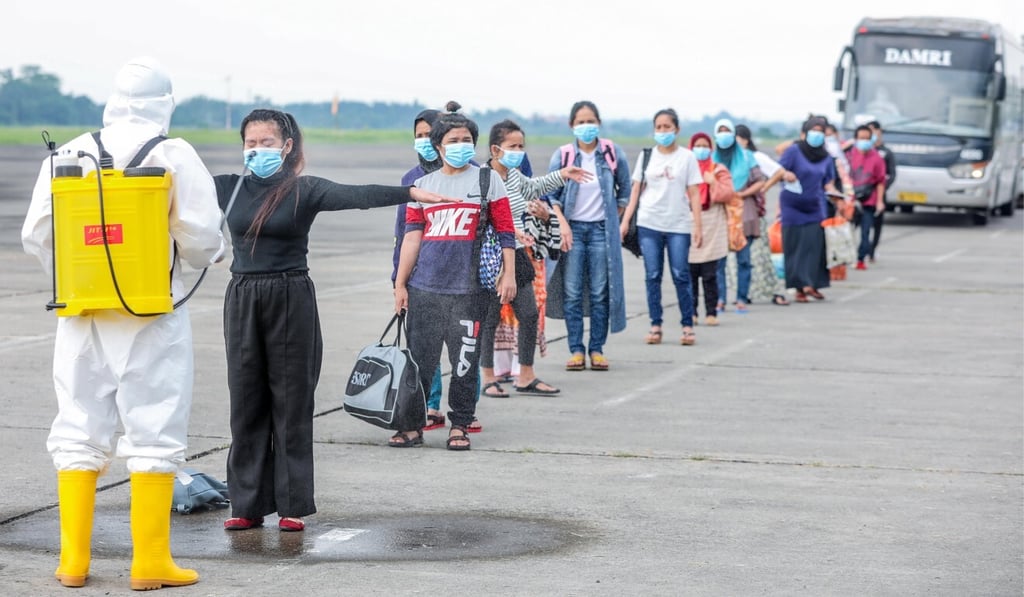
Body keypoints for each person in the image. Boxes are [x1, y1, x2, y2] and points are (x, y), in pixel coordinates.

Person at [22, 56, 226, 590]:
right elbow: (204, 242)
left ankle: (73, 563)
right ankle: (150, 563)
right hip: (150, 314)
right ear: (166, 102)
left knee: (77, 427)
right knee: (153, 429)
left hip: (80, 313)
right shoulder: (172, 153)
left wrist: (80, 280)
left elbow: (37, 235)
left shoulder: (66, 152)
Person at [216, 108, 453, 532]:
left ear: (286, 147)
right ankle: (246, 503)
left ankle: (291, 504)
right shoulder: (229, 189)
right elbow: (169, 185)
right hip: (243, 297)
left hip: (291, 295)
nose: (257, 151)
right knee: (246, 401)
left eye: (266, 143)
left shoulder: (303, 190)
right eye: (250, 143)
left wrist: (412, 194)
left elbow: (356, 194)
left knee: (291, 401)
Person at [394, 101, 517, 451]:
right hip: (425, 287)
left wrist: (508, 274)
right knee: (421, 362)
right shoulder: (423, 184)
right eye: (453, 140)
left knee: (464, 360)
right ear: (438, 147)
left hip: (470, 289)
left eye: (466, 139)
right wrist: (400, 284)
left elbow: (506, 231)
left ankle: (460, 424)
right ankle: (413, 425)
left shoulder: (487, 179)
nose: (460, 145)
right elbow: (412, 236)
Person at [477, 119, 590, 397]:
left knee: (528, 313)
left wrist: (563, 174)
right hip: (490, 255)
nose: (518, 151)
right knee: (489, 317)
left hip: (515, 253)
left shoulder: (514, 176)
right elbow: (479, 217)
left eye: (521, 146)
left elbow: (535, 187)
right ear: (495, 149)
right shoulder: (479, 177)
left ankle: (526, 375)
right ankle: (487, 377)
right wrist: (510, 229)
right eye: (512, 146)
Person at [545, 100, 631, 371]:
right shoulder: (564, 155)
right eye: (581, 122)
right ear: (572, 125)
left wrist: (613, 220)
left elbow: (625, 192)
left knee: (599, 291)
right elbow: (551, 195)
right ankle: (576, 350)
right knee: (571, 291)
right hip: (573, 230)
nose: (586, 126)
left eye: (590, 120)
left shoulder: (611, 153)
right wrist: (563, 224)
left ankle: (596, 349)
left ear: (599, 123)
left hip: (600, 233)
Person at [620, 108, 703, 346]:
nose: (663, 131)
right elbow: (635, 189)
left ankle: (687, 325)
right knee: (652, 275)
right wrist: (625, 221)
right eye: (659, 127)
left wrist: (697, 226)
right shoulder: (648, 156)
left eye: (667, 127)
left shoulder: (687, 157)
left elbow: (695, 194)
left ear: (677, 129)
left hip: (678, 224)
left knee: (680, 274)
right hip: (649, 223)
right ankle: (655, 325)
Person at [762, 115, 841, 302]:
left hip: (815, 206)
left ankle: (812, 284)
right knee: (795, 247)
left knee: (814, 247)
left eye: (821, 132)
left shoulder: (826, 157)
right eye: (813, 131)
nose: (817, 135)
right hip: (792, 206)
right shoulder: (793, 151)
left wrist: (839, 197)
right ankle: (798, 288)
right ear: (804, 133)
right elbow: (777, 172)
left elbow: (828, 182)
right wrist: (786, 174)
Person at [712, 119, 764, 314]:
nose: (724, 135)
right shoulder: (712, 158)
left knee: (744, 259)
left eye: (728, 131)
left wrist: (742, 193)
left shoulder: (747, 156)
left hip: (744, 211)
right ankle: (720, 298)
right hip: (720, 212)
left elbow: (760, 180)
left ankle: (741, 297)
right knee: (719, 261)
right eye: (721, 131)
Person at [735, 124, 789, 306]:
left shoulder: (755, 157)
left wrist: (762, 188)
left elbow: (779, 172)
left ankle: (774, 291)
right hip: (734, 216)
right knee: (738, 261)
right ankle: (744, 292)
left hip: (753, 215)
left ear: (745, 140)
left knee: (759, 256)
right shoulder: (731, 158)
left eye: (736, 139)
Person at [688, 132, 732, 326]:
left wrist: (712, 181)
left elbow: (728, 193)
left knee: (709, 273)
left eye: (704, 145)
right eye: (697, 145)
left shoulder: (718, 169)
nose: (701, 148)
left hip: (712, 222)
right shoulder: (686, 168)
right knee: (689, 273)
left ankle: (711, 311)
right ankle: (692, 312)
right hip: (688, 221)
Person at [845, 125, 887, 270]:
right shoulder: (848, 155)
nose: (864, 141)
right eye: (861, 138)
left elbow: (881, 181)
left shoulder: (877, 158)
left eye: (867, 138)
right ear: (855, 139)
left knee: (865, 231)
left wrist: (880, 201)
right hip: (850, 200)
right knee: (847, 231)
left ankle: (861, 258)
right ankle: (845, 257)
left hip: (869, 200)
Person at [866, 120, 896, 262]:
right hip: (864, 194)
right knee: (863, 224)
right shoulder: (862, 150)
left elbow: (892, 174)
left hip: (879, 194)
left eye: (873, 130)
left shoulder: (886, 152)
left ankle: (872, 250)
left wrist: (882, 187)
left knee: (877, 225)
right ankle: (862, 250)